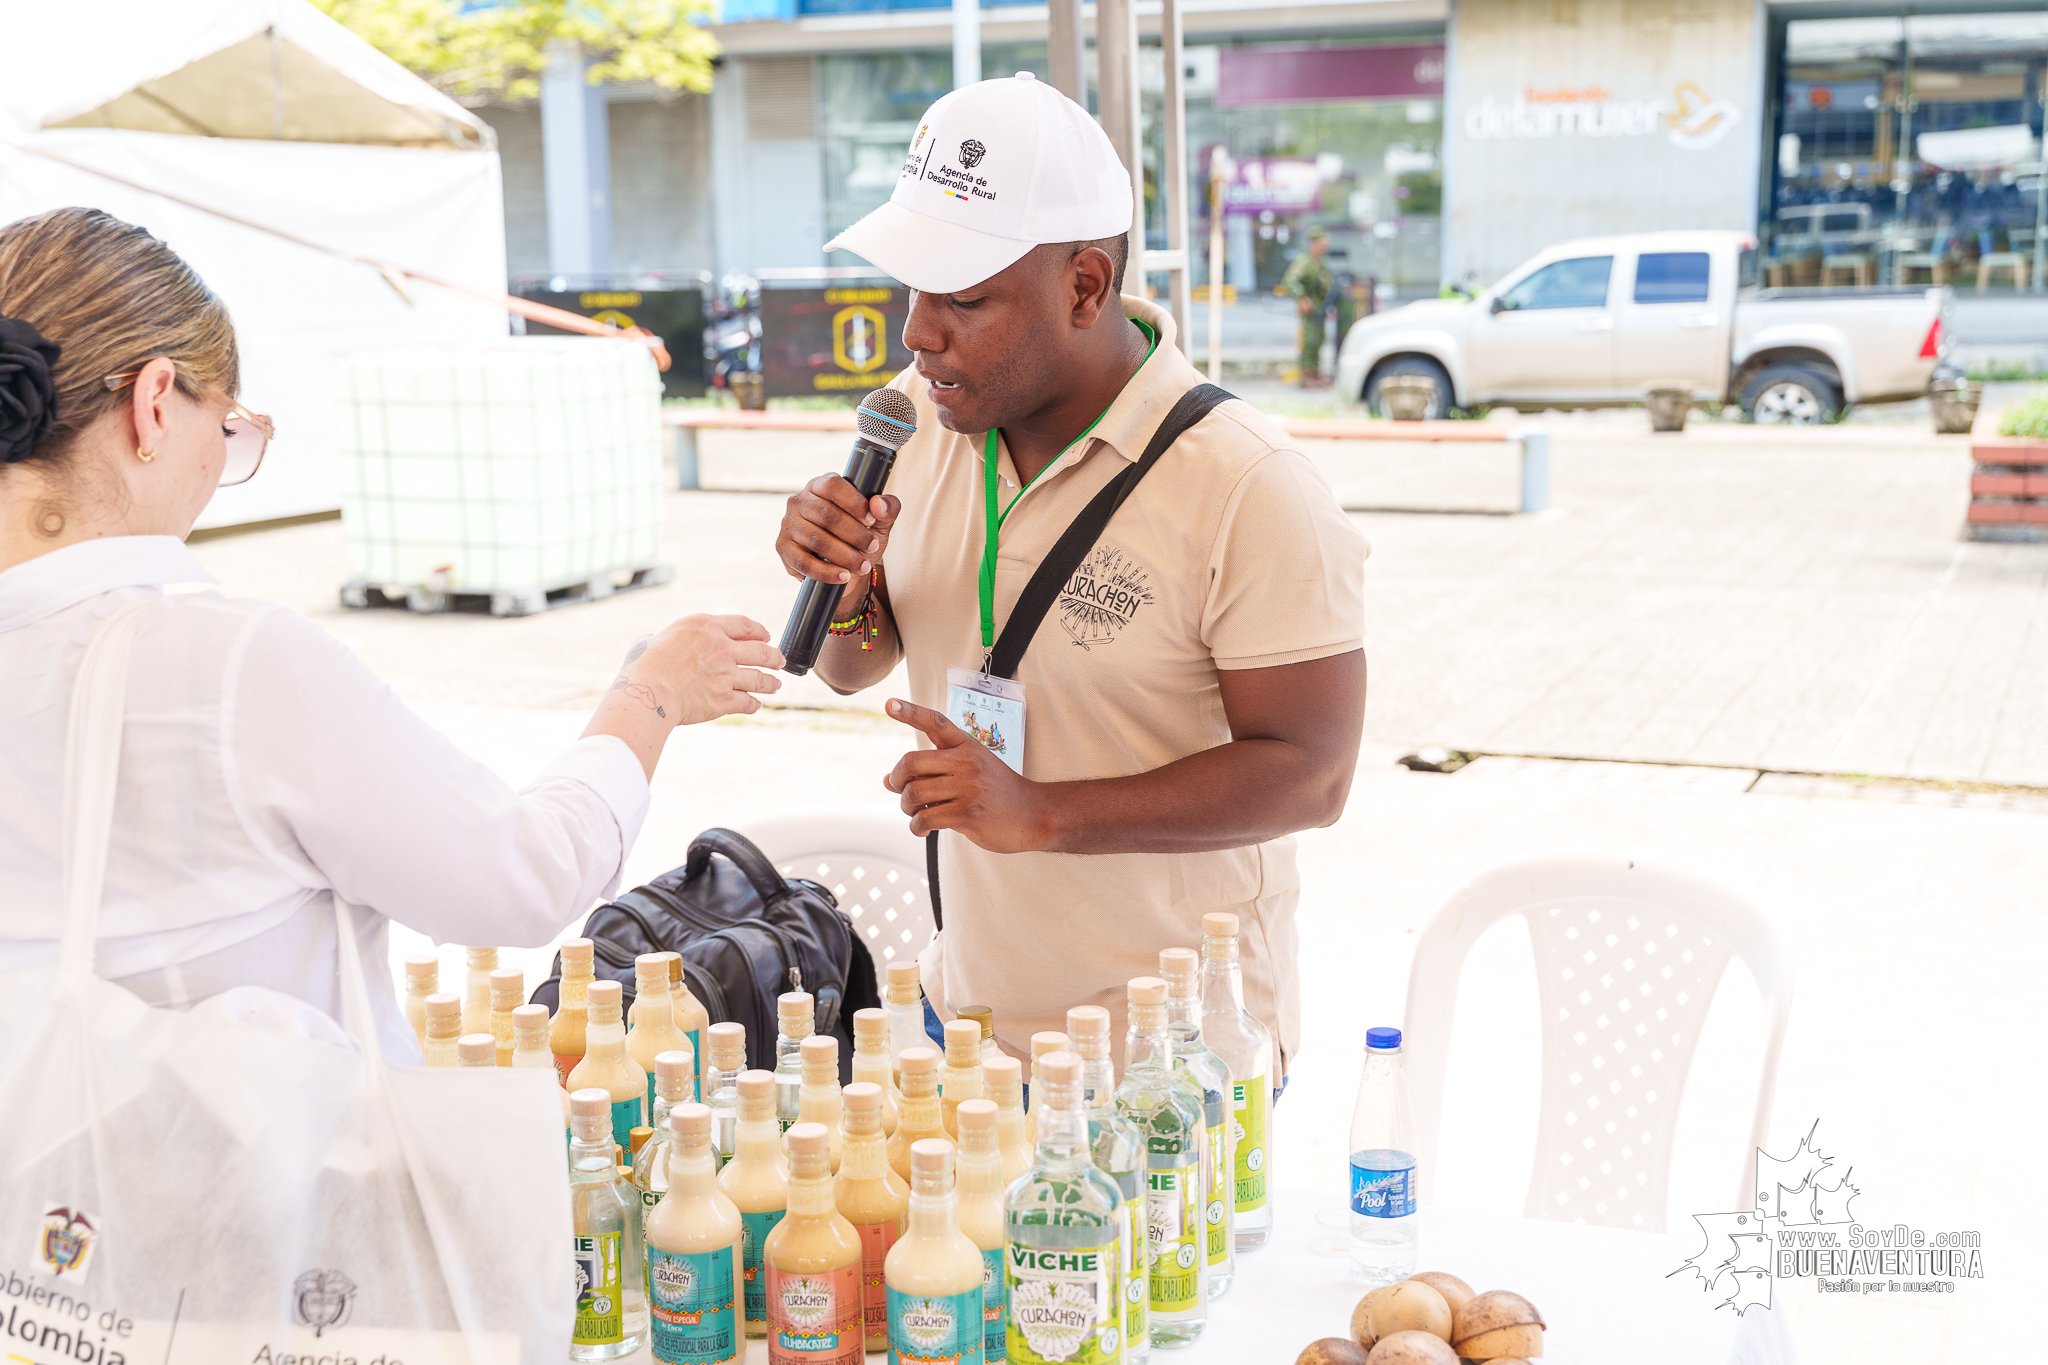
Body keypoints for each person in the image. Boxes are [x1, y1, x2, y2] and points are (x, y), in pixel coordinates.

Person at [0, 207, 783, 1058]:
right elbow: (516, 879)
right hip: (239, 1182)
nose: (216, 472)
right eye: (225, 430)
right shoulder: (224, 666)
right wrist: (652, 692)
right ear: (154, 404)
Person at [774, 74, 1368, 1072]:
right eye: (912, 291)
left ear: (1083, 286)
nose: (919, 334)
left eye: (962, 299)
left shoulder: (1246, 485)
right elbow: (854, 666)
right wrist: (844, 591)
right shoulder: (915, 420)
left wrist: (1045, 814)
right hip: (966, 1024)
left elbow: (1313, 772)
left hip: (1167, 1064)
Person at [1281, 226, 1335, 388]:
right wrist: (1302, 298)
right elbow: (1290, 280)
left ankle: (1315, 372)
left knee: (1319, 340)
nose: (1324, 246)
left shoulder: (1320, 262)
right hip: (1310, 308)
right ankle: (1306, 375)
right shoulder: (1305, 261)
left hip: (1320, 308)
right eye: (1321, 242)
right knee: (1309, 340)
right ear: (1314, 243)